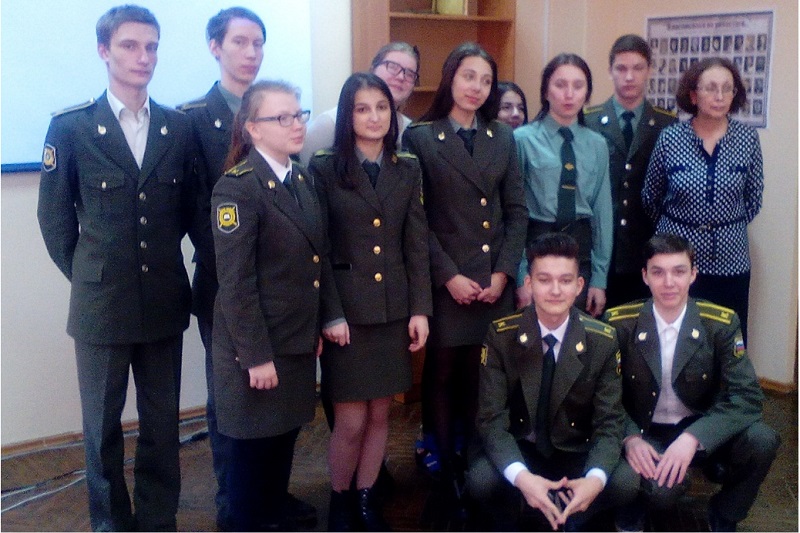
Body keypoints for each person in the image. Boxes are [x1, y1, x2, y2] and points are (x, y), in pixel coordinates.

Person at [36, 5, 199, 530]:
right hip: (101, 306)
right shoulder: (72, 127)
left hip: (163, 301)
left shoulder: (178, 127)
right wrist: (93, 276)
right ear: (104, 51)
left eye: (151, 47)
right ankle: (109, 523)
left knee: (161, 426)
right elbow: (55, 220)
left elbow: (187, 212)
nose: (143, 57)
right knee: (102, 430)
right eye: (130, 45)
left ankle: (157, 520)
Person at [402, 41, 528, 517]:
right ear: (450, 77)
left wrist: (504, 272)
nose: (477, 87)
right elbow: (416, 219)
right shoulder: (421, 137)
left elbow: (516, 212)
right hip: (446, 280)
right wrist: (449, 276)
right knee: (442, 372)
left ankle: (479, 463)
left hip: (492, 282)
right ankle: (446, 469)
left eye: (486, 80)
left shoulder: (502, 137)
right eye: (468, 76)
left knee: (484, 375)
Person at [308, 72, 432, 531]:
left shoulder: (408, 166)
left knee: (382, 413)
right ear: (348, 116)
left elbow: (415, 243)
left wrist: (420, 309)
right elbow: (318, 248)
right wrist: (330, 313)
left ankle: (366, 499)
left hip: (393, 310)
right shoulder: (325, 167)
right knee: (351, 420)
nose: (374, 117)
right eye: (362, 109)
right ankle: (341, 502)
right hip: (347, 313)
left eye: (382, 107)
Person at [210, 80, 329, 531]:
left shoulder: (301, 178)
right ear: (253, 128)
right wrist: (256, 356)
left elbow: (314, 260)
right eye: (282, 117)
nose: (296, 124)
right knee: (252, 449)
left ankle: (274, 512)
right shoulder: (237, 188)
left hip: (295, 337)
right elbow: (236, 284)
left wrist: (316, 326)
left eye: (298, 114)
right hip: (258, 345)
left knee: (283, 436)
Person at [603, 234, 779, 532]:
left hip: (701, 425)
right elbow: (605, 396)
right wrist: (630, 438)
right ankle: (636, 501)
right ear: (645, 276)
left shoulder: (720, 323)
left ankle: (726, 511)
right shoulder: (620, 323)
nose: (669, 282)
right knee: (661, 491)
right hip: (647, 430)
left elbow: (747, 396)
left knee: (762, 440)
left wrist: (694, 438)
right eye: (658, 272)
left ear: (693, 274)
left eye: (679, 271)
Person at [468, 233, 637, 531]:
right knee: (481, 480)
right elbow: (491, 419)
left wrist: (594, 481)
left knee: (625, 481)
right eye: (544, 280)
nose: (556, 290)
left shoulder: (602, 340)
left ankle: (572, 513)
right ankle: (522, 510)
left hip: (575, 450)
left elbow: (610, 422)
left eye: (565, 280)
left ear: (579, 286)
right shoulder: (501, 336)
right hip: (522, 447)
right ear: (529, 284)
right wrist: (523, 478)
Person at [642, 57, 763, 345]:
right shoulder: (671, 138)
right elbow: (650, 197)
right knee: (676, 340)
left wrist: (721, 225)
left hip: (731, 258)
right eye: (711, 88)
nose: (719, 96)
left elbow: (754, 198)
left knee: (728, 340)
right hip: (677, 259)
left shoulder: (747, 138)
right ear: (693, 95)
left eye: (727, 88)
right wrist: (682, 229)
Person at [514, 53, 613, 317]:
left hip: (580, 249)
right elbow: (513, 213)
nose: (569, 94)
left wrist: (599, 279)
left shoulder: (597, 144)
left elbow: (602, 214)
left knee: (577, 332)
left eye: (578, 86)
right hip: (536, 244)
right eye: (560, 85)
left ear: (587, 93)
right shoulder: (522, 140)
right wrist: (521, 275)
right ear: (546, 90)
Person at [584, 35, 677, 308]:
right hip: (600, 248)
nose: (629, 77)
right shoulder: (589, 120)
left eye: (637, 68)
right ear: (610, 71)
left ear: (649, 71)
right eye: (621, 68)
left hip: (647, 247)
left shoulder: (666, 123)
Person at [299, 42, 420, 166]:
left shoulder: (409, 129)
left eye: (410, 74)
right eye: (393, 67)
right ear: (373, 69)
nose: (401, 77)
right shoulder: (328, 124)